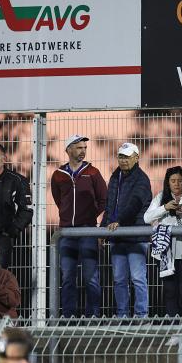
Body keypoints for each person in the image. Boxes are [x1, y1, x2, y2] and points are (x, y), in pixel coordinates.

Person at [51, 135, 107, 318]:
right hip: (67, 233)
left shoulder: (93, 173)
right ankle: (68, 318)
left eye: (84, 147)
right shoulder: (59, 175)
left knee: (91, 278)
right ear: (68, 150)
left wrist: (89, 215)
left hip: (88, 231)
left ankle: (93, 317)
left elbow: (103, 200)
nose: (83, 150)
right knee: (67, 278)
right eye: (78, 147)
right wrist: (68, 216)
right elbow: (59, 200)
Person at [145, 166, 182, 318]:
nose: (176, 184)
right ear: (168, 183)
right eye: (173, 181)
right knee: (170, 291)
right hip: (167, 251)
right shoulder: (160, 198)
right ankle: (174, 331)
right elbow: (147, 218)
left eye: (179, 180)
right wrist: (164, 208)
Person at [101, 143, 153, 319]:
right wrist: (102, 229)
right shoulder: (115, 177)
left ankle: (141, 315)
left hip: (136, 235)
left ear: (136, 158)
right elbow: (109, 205)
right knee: (119, 279)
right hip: (117, 235)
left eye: (127, 157)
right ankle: (122, 315)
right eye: (121, 156)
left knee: (138, 278)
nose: (123, 160)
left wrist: (118, 221)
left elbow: (135, 204)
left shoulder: (142, 179)